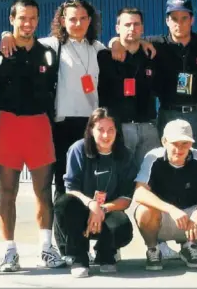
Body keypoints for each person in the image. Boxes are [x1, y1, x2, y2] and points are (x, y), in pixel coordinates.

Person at [0, 0, 107, 259]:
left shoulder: (99, 48)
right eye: (71, 19)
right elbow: (23, 39)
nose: (77, 23)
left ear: (90, 21)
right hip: (62, 126)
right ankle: (65, 245)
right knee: (63, 186)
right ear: (61, 20)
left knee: (96, 186)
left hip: (92, 126)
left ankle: (96, 243)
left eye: (83, 18)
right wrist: (5, 35)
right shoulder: (50, 45)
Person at [0, 0, 64, 271]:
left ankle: (46, 248)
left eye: (32, 18)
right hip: (7, 125)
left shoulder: (49, 53)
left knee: (44, 190)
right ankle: (9, 251)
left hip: (39, 125)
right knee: (8, 191)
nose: (27, 23)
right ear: (12, 20)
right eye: (22, 18)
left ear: (38, 20)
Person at [133, 119, 197, 271]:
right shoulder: (152, 158)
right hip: (163, 216)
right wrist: (171, 209)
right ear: (164, 141)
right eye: (174, 143)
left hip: (191, 217)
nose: (179, 149)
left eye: (185, 143)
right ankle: (153, 249)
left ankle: (190, 246)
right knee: (143, 211)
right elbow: (140, 192)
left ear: (191, 144)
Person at [54, 107, 136, 277]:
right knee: (64, 204)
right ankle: (79, 257)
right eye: (100, 130)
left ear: (117, 131)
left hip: (108, 211)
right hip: (81, 209)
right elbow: (70, 189)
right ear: (91, 130)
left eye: (111, 130)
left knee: (122, 226)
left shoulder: (125, 155)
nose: (106, 136)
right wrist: (92, 205)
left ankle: (105, 253)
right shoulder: (78, 149)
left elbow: (126, 199)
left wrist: (102, 209)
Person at [97, 7, 160, 169]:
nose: (132, 28)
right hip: (119, 128)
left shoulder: (151, 54)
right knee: (120, 176)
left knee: (148, 176)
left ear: (142, 28)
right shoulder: (104, 57)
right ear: (117, 28)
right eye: (127, 25)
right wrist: (114, 42)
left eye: (136, 24)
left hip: (148, 128)